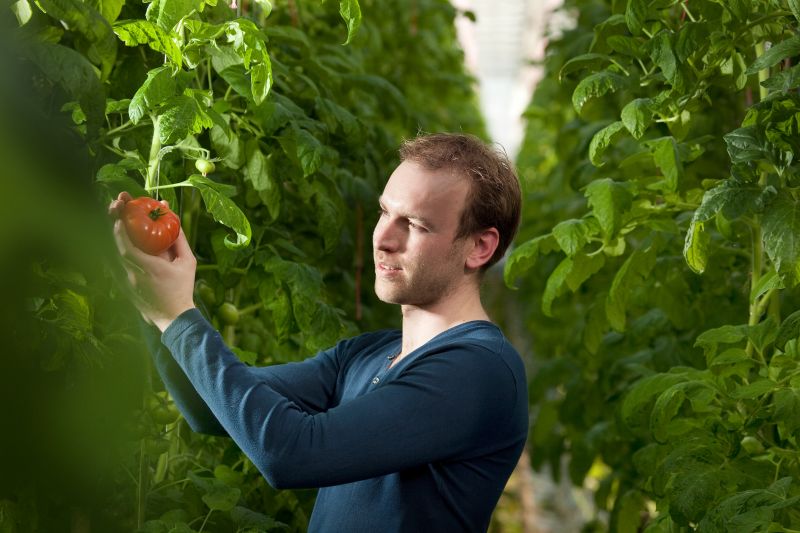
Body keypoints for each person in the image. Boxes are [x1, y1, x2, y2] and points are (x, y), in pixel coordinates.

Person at [109, 132, 528, 532]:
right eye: (384, 212)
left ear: (480, 247)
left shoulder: (480, 371)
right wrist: (149, 295)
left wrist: (178, 316)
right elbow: (205, 407)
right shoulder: (367, 355)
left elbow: (290, 454)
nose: (383, 238)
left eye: (416, 225)